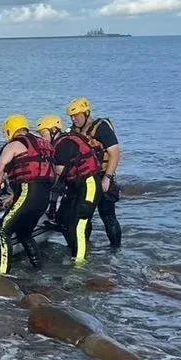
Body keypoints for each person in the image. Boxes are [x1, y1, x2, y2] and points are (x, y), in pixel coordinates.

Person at [0, 115, 52, 274]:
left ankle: (3, 274)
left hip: (29, 193)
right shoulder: (43, 144)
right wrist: (14, 197)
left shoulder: (14, 145)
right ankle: (38, 268)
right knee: (25, 232)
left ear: (9, 130)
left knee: (3, 231)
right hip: (44, 197)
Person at [39, 114, 104, 265]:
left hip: (89, 185)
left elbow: (58, 175)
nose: (42, 138)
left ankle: (79, 264)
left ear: (54, 130)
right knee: (62, 218)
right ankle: (76, 248)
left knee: (78, 225)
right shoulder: (60, 143)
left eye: (44, 134)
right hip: (76, 187)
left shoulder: (63, 145)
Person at [68, 98, 122, 251]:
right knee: (83, 217)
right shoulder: (73, 130)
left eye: (77, 115)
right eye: (71, 116)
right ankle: (84, 247)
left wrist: (107, 179)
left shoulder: (102, 128)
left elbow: (115, 154)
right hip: (84, 179)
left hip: (102, 176)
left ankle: (115, 250)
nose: (74, 119)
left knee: (108, 216)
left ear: (86, 113)